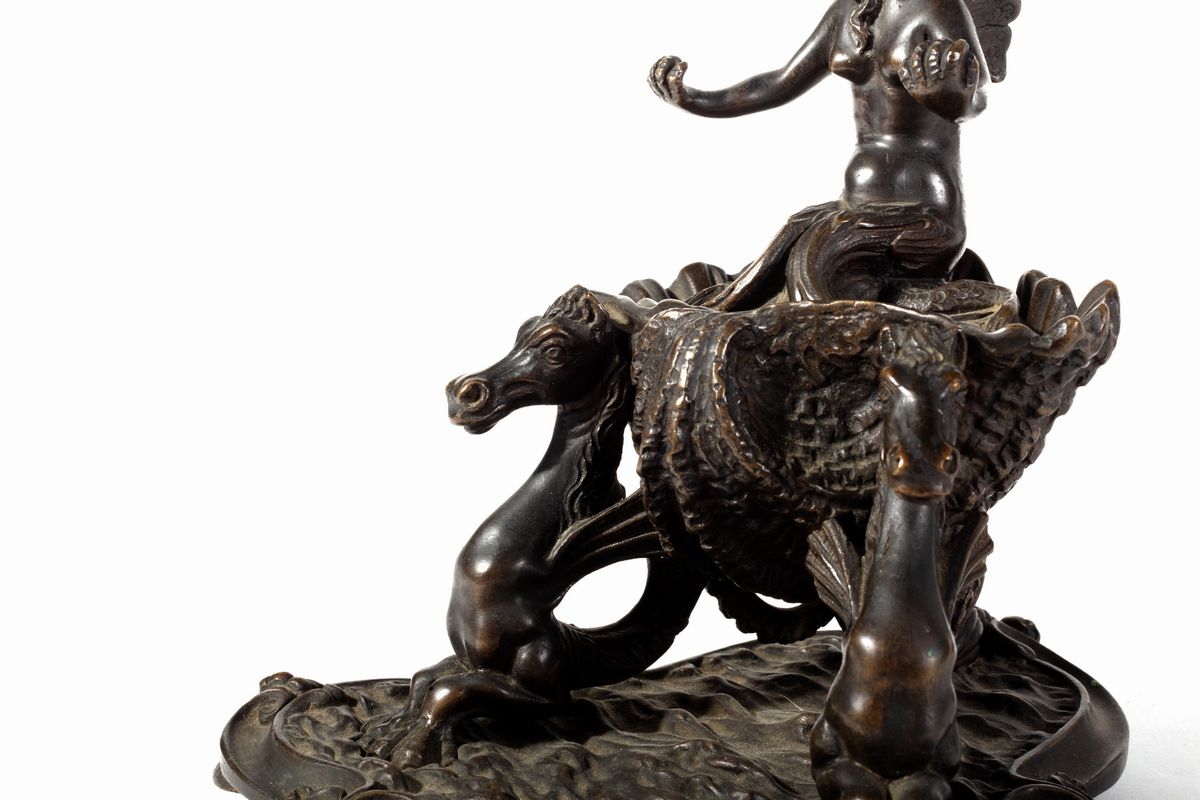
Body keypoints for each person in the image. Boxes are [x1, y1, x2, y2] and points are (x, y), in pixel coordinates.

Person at [649, 0, 1001, 306]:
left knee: (814, 260)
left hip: (924, 213)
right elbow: (781, 81)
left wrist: (949, 96)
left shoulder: (937, 7)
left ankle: (838, 345)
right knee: (786, 246)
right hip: (857, 205)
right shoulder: (847, 12)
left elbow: (978, 94)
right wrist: (694, 99)